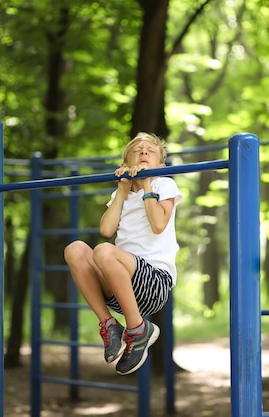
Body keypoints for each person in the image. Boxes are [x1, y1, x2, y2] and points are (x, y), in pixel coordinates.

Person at [64, 132, 183, 375]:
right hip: (119, 287)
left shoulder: (164, 184)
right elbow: (106, 229)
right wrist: (122, 190)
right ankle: (110, 325)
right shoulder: (122, 193)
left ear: (160, 165)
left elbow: (158, 224)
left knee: (104, 251)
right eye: (137, 150)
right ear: (125, 165)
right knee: (75, 249)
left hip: (154, 283)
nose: (143, 152)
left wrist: (147, 183)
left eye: (150, 150)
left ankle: (138, 329)